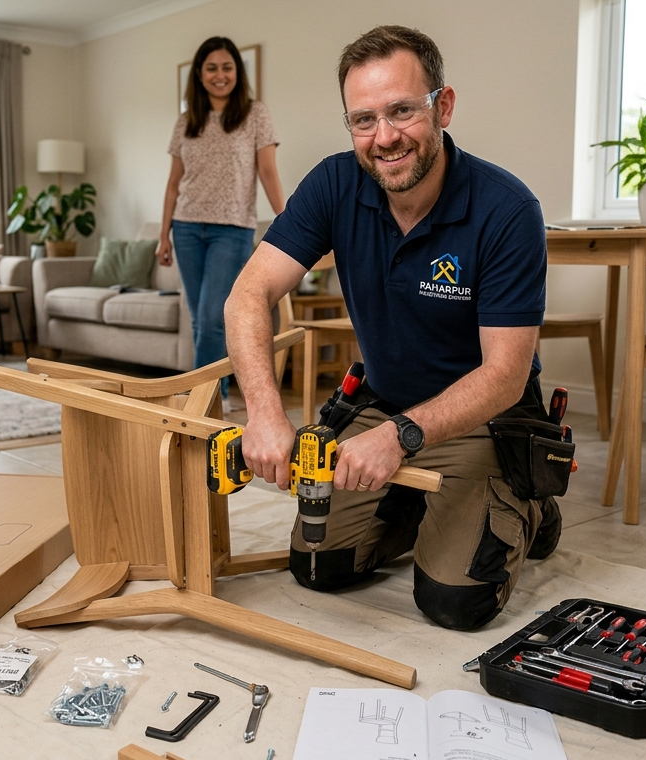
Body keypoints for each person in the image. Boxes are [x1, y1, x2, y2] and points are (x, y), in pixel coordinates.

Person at [223, 25, 561, 631]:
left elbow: (506, 375)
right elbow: (250, 294)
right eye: (363, 120)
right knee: (319, 567)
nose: (384, 138)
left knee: (455, 605)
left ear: (444, 106)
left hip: (482, 416)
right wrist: (264, 413)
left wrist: (400, 439)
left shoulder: (507, 210)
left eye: (402, 111)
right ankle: (413, 502)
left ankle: (532, 504)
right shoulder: (334, 183)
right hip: (386, 397)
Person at [157, 36, 286, 404]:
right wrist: (163, 235)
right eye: (211, 68)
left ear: (237, 72)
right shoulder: (186, 122)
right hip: (185, 229)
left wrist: (288, 221)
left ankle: (200, 399)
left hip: (231, 230)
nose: (220, 75)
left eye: (227, 67)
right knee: (199, 320)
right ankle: (219, 393)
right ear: (199, 74)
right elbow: (172, 184)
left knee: (216, 317)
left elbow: (267, 171)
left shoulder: (255, 114)